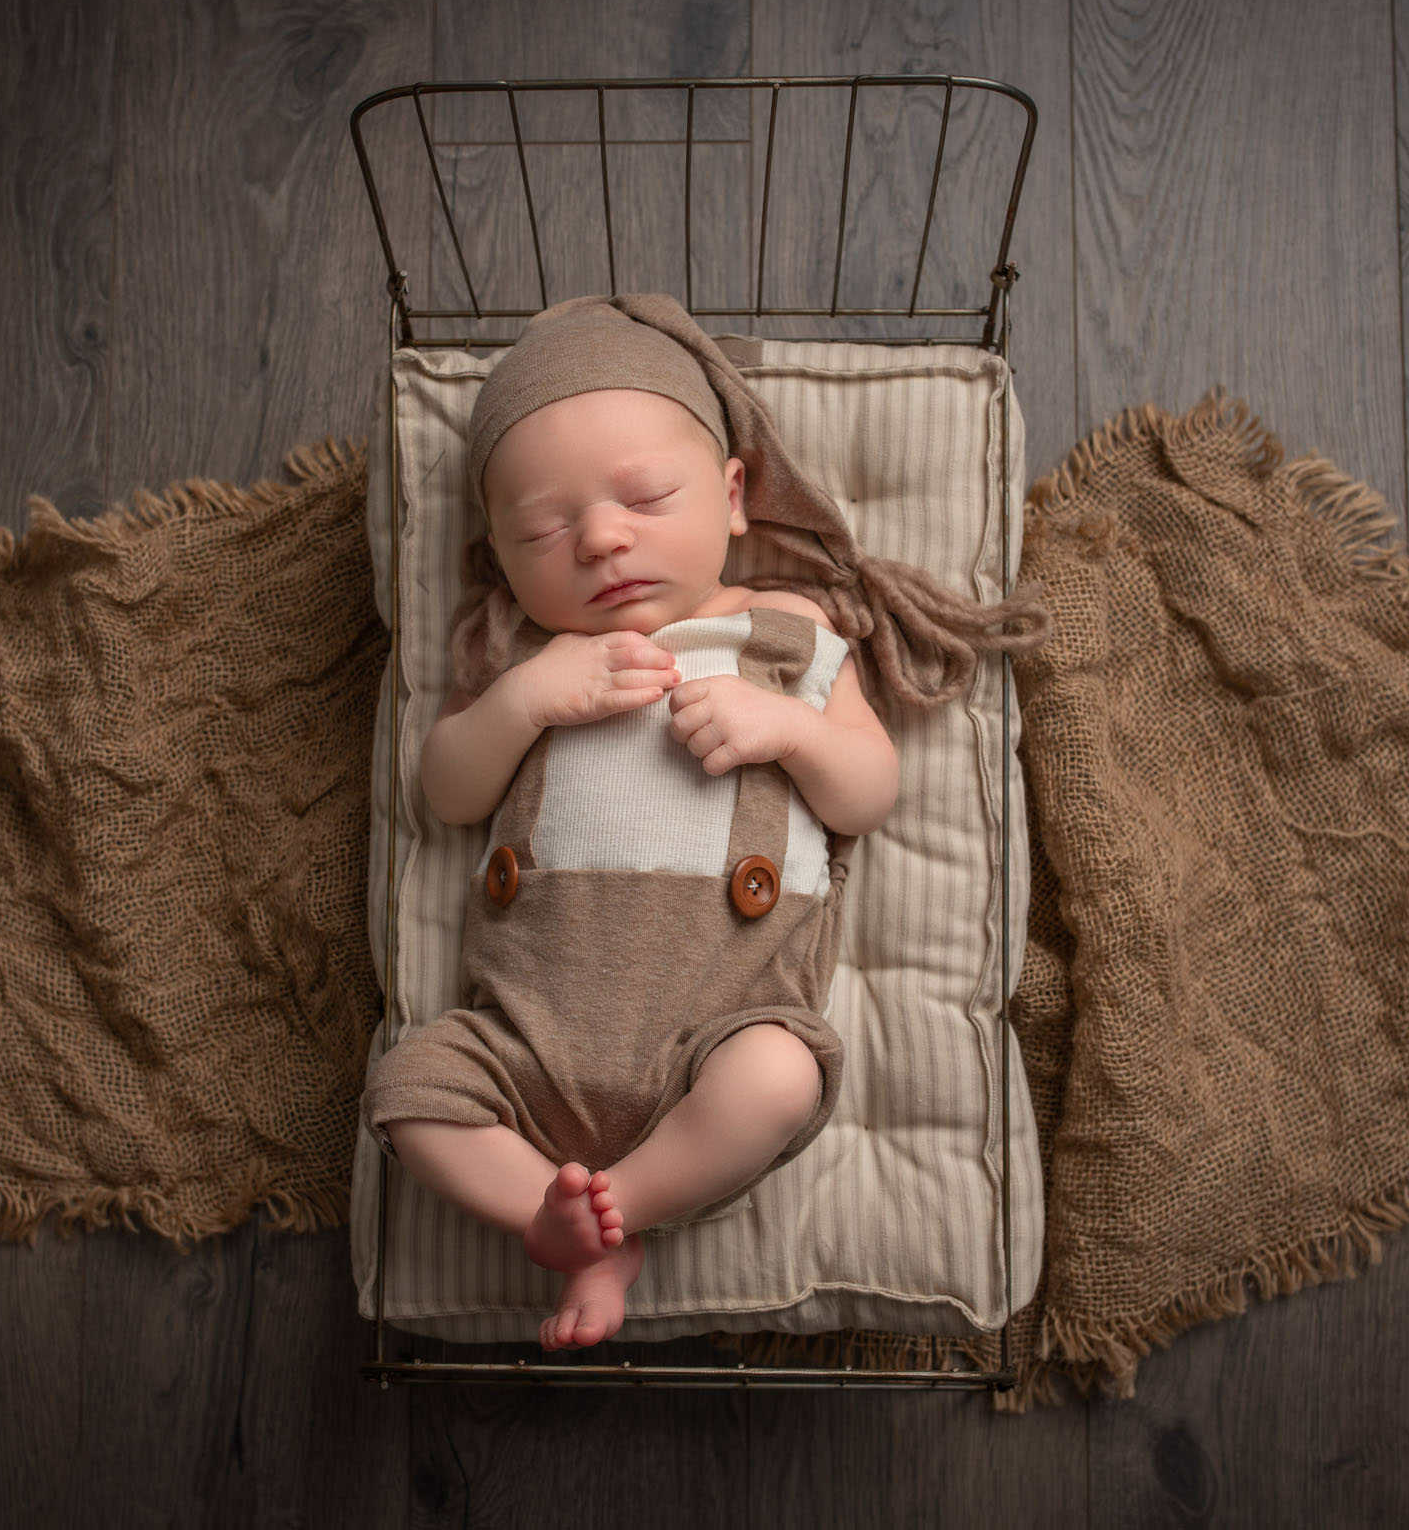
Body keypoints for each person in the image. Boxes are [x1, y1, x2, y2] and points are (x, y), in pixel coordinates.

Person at [362, 293, 1050, 1354]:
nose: (599, 538)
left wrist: (785, 727)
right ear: (499, 554)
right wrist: (529, 701)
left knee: (779, 1076)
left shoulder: (789, 631)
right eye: (546, 526)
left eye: (645, 495)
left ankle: (612, 1210)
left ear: (733, 496)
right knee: (407, 1094)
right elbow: (443, 793)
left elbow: (867, 789)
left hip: (718, 1022)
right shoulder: (520, 655)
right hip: (525, 1029)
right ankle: (563, 1214)